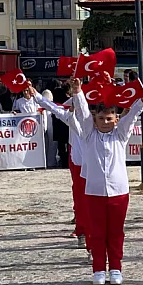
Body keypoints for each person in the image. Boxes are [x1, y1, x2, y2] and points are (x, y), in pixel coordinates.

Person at [64, 78, 143, 285]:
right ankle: (98, 270)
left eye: (109, 118)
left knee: (115, 232)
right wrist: (78, 93)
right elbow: (84, 112)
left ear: (115, 119)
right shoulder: (88, 134)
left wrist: (142, 102)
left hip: (119, 192)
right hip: (94, 191)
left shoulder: (120, 135)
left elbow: (131, 117)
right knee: (96, 233)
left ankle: (115, 268)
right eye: (101, 118)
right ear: (95, 120)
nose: (105, 122)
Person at [33, 87, 90, 250]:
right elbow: (53, 107)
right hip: (79, 162)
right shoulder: (71, 118)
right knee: (80, 197)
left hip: (96, 164)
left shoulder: (93, 120)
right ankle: (82, 231)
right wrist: (36, 95)